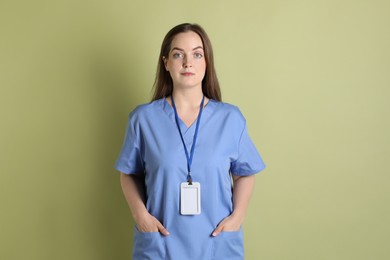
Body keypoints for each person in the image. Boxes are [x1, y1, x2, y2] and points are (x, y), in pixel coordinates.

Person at [115, 23, 266, 260]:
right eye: (178, 54)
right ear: (166, 63)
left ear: (207, 62)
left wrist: (237, 217)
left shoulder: (230, 119)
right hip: (160, 245)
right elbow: (128, 173)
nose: (188, 63)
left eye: (197, 54)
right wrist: (140, 216)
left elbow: (245, 173)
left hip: (216, 244)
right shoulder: (143, 119)